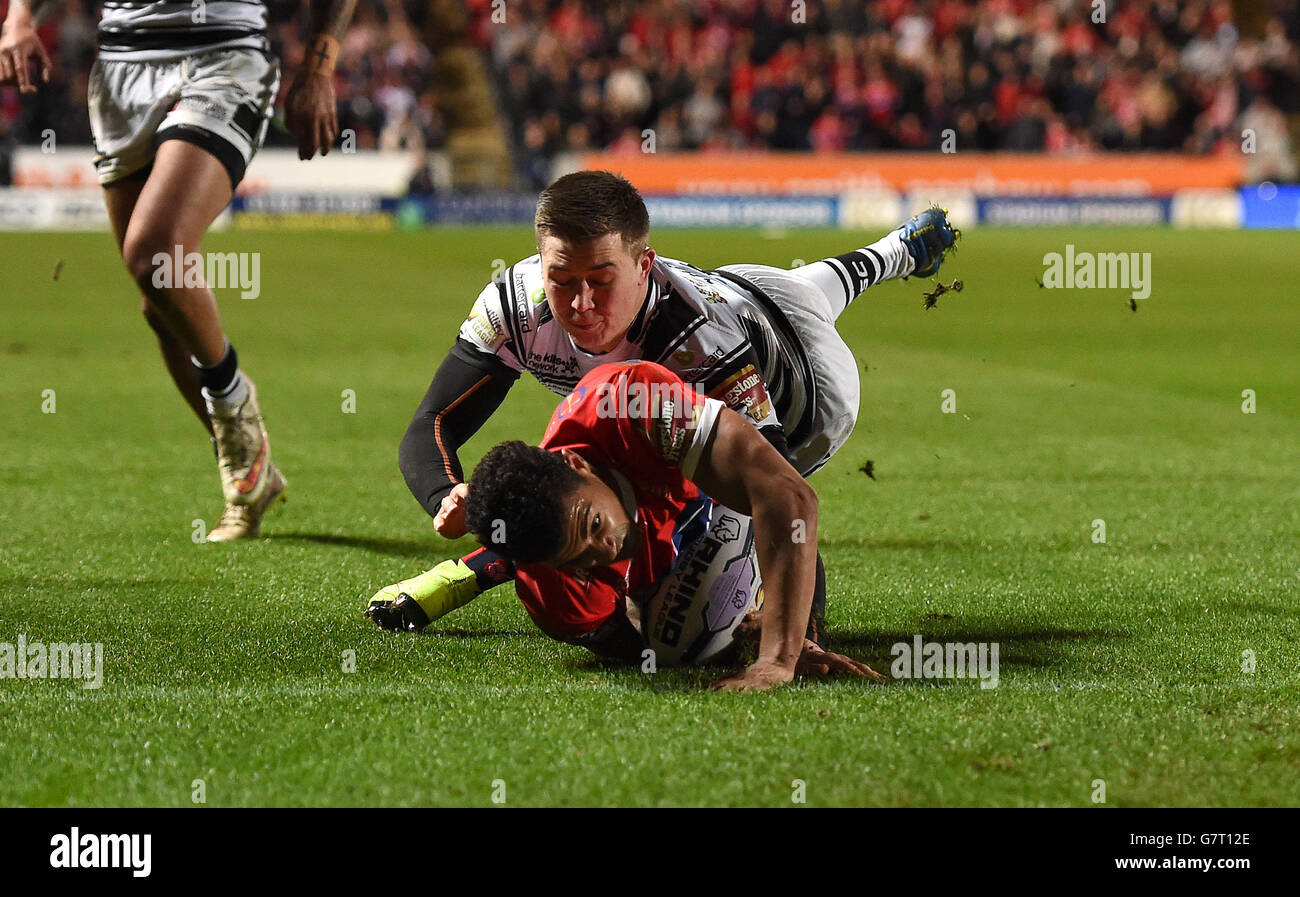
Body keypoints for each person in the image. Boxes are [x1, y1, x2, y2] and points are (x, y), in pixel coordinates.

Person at [370, 169, 959, 632]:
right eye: (561, 279)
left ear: (643, 266)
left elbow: (775, 493)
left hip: (807, 388)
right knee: (573, 486)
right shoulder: (516, 307)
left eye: (601, 280)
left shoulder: (696, 345)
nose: (578, 305)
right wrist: (450, 495)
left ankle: (893, 254)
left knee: (681, 517)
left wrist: (801, 636)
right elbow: (430, 424)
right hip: (740, 285)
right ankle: (897, 251)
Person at [0, 0, 359, 539]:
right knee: (160, 304)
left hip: (223, 59)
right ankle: (250, 470)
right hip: (122, 68)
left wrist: (318, 67)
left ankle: (236, 412)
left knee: (153, 252)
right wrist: (20, 17)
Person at [370, 360, 882, 691]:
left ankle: (467, 570)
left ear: (577, 466)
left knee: (769, 491)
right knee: (675, 643)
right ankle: (474, 568)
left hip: (721, 369)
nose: (607, 548)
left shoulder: (630, 404)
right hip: (582, 522)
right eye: (582, 560)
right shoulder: (556, 594)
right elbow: (646, 650)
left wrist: (784, 650)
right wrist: (725, 637)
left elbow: (788, 502)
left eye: (593, 524)